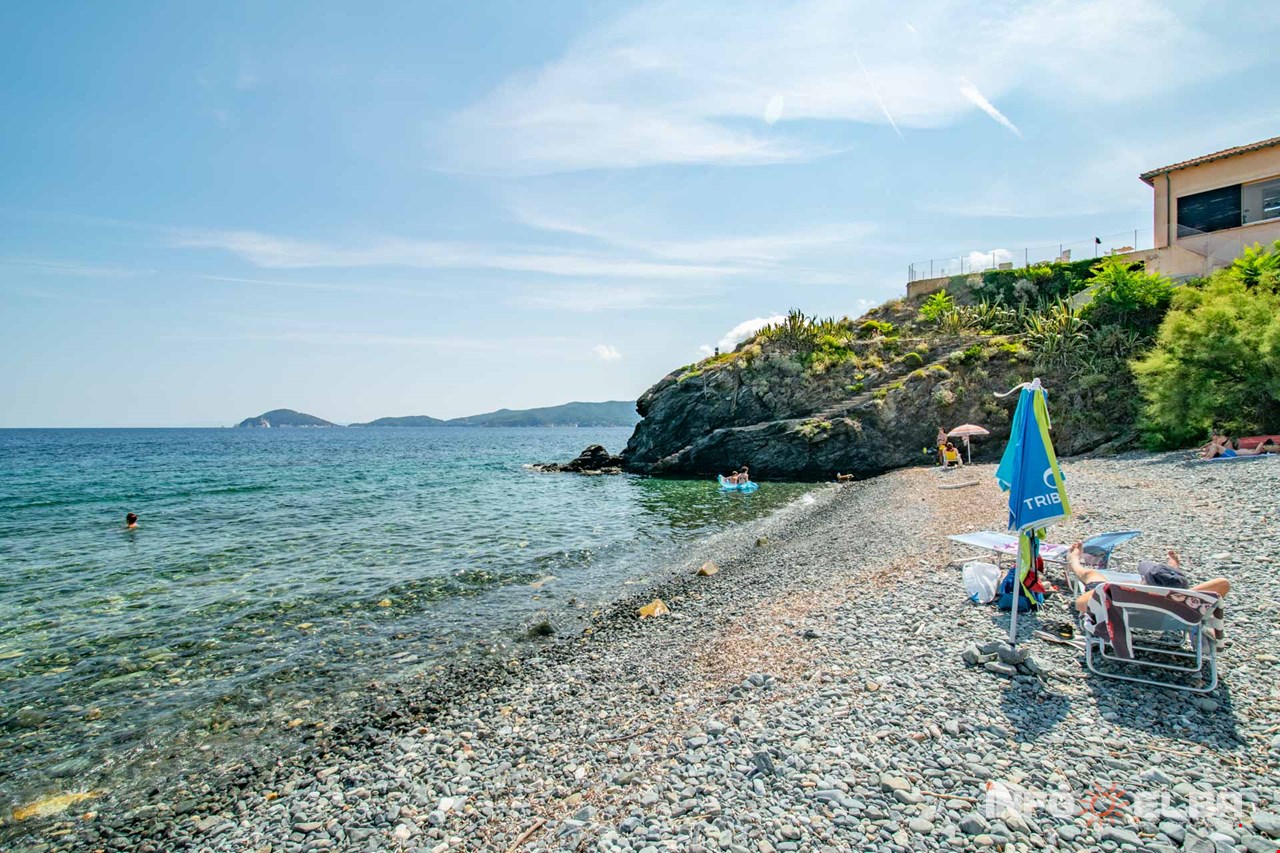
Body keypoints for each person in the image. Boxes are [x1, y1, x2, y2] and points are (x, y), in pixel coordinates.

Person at [1067, 542, 1229, 613]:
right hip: (1173, 608)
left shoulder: (1116, 593)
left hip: (1122, 605)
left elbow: (1080, 605)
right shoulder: (1184, 606)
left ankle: (1074, 559)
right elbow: (1223, 583)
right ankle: (1173, 569)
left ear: (1143, 581)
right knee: (1173, 578)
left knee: (1090, 574)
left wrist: (1110, 589)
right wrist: (1185, 592)